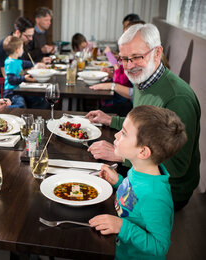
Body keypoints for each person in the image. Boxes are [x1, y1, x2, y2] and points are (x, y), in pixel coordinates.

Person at [85, 23, 201, 211]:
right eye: (124, 59)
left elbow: (177, 166)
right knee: (89, 167)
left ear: (157, 53)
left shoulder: (178, 98)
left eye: (137, 57)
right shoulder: (144, 81)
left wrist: (121, 156)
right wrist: (110, 120)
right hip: (143, 168)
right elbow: (143, 127)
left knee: (95, 195)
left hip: (169, 190)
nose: (129, 66)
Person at [89, 105, 187, 259]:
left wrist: (122, 227)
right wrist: (119, 182)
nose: (116, 136)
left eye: (124, 133)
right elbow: (134, 199)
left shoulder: (155, 196)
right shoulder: (140, 170)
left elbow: (160, 246)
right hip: (117, 249)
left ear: (143, 152)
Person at [3, 36, 37, 108]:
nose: (23, 50)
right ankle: (5, 109)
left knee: (35, 99)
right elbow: (11, 79)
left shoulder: (16, 61)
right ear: (17, 50)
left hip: (18, 89)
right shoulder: (10, 63)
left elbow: (25, 63)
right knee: (21, 105)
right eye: (22, 48)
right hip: (11, 92)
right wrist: (24, 78)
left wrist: (36, 64)